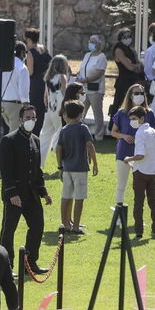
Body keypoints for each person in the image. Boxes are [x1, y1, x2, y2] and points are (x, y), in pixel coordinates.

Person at [0, 104, 52, 274]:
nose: (31, 121)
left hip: (31, 194)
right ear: (20, 119)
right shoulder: (9, 140)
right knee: (9, 231)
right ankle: (7, 266)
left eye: (33, 118)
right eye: (28, 118)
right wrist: (12, 193)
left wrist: (43, 192)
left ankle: (30, 263)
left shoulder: (36, 140)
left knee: (37, 226)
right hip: (15, 195)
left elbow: (37, 169)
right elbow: (5, 171)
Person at [109, 83, 155, 205]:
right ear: (130, 95)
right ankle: (119, 210)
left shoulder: (149, 113)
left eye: (142, 93)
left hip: (142, 154)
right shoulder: (122, 113)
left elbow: (154, 132)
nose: (139, 96)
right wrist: (124, 136)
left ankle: (139, 212)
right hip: (124, 152)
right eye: (136, 93)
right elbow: (113, 132)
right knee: (121, 185)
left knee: (141, 186)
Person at [55, 100, 98, 234]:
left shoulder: (64, 129)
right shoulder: (83, 128)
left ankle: (65, 224)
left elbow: (58, 149)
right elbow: (90, 145)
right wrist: (95, 163)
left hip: (67, 168)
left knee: (66, 197)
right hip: (80, 168)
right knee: (79, 198)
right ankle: (76, 226)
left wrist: (60, 166)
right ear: (80, 114)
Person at [123, 106, 155, 239]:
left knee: (139, 202)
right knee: (153, 202)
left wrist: (129, 159)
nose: (132, 122)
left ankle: (139, 231)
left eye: (134, 119)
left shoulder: (140, 133)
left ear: (142, 118)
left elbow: (140, 155)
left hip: (140, 172)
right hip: (153, 171)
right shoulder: (153, 132)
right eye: (131, 119)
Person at [0, 42, 31, 135]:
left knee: (6, 133)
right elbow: (23, 90)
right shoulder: (22, 68)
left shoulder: (3, 65)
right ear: (22, 53)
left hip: (2, 103)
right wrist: (26, 105)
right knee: (15, 134)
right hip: (15, 105)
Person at [38, 55, 69, 168]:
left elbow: (45, 99)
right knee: (59, 138)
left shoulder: (48, 79)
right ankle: (62, 164)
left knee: (44, 138)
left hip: (49, 111)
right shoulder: (62, 77)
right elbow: (64, 95)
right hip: (59, 111)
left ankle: (38, 164)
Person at [76, 34, 107, 141]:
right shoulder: (87, 55)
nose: (91, 44)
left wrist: (86, 79)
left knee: (97, 112)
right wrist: (79, 77)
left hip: (95, 89)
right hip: (83, 89)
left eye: (93, 42)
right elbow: (82, 68)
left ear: (99, 44)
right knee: (80, 111)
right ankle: (78, 132)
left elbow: (99, 73)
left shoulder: (102, 57)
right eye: (90, 41)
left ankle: (98, 136)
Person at [23, 28, 51, 135]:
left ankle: (33, 133)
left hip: (34, 84)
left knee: (34, 110)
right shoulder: (43, 49)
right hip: (44, 83)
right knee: (41, 111)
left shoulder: (31, 52)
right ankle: (39, 134)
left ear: (29, 40)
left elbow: (30, 72)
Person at [110, 27, 142, 117]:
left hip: (134, 81)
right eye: (125, 37)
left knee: (133, 106)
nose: (128, 38)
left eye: (129, 36)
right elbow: (129, 67)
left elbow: (139, 67)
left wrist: (135, 66)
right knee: (119, 105)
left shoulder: (131, 50)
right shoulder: (118, 50)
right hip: (123, 82)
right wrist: (135, 66)